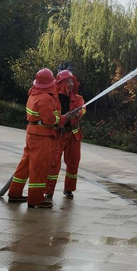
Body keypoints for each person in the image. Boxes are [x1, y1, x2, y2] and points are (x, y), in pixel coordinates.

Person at [7, 68, 76, 208]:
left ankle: (15, 193)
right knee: (39, 167)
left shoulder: (34, 94)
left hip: (33, 132)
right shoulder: (45, 98)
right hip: (42, 135)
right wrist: (65, 117)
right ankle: (36, 199)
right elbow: (50, 119)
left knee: (25, 165)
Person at [47, 68, 86, 200]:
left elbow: (83, 108)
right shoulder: (53, 99)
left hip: (73, 135)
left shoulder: (77, 98)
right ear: (60, 83)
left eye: (72, 81)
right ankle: (49, 191)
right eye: (67, 81)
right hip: (58, 134)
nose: (70, 84)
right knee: (53, 163)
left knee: (73, 162)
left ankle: (69, 189)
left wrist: (78, 112)